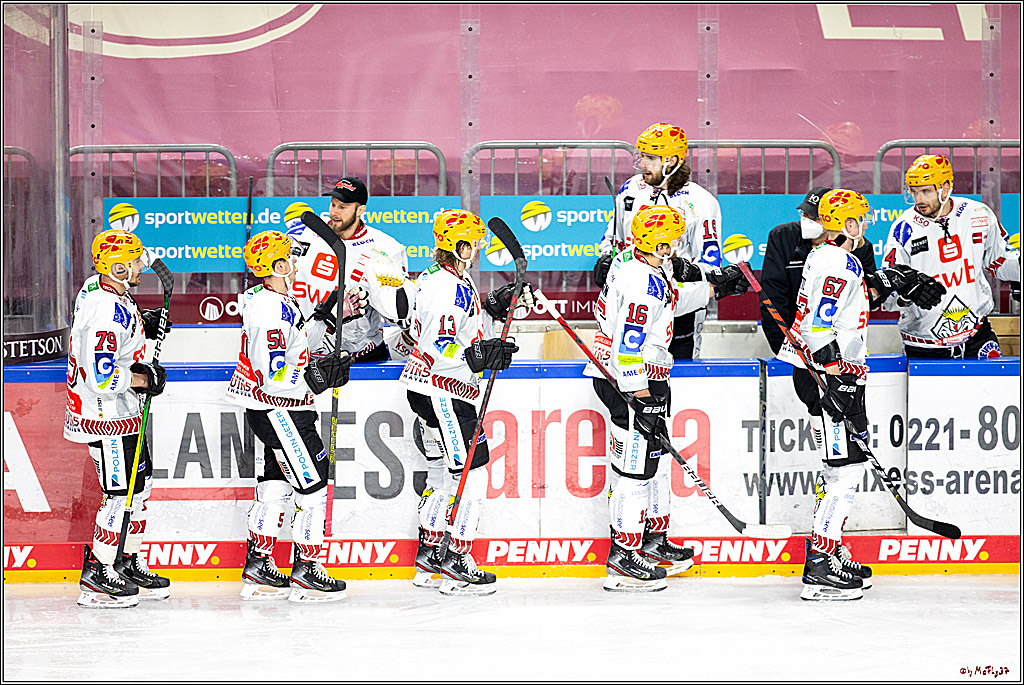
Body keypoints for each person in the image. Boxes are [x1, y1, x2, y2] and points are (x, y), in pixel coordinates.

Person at [779, 190, 940, 600]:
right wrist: (835, 379)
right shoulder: (839, 261)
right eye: (860, 220)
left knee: (840, 467)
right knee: (845, 471)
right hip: (828, 375)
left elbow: (848, 304)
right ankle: (819, 564)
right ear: (847, 225)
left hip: (824, 372)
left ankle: (828, 553)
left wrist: (889, 281)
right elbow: (820, 327)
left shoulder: (824, 255)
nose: (864, 226)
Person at [588, 205, 749, 592]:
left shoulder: (640, 262)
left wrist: (714, 288)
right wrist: (641, 397)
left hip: (645, 376)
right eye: (673, 239)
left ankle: (650, 541)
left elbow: (671, 300)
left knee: (652, 464)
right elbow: (629, 345)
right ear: (658, 243)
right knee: (633, 472)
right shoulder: (641, 281)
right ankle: (623, 556)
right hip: (630, 379)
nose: (677, 245)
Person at [399, 209, 533, 596]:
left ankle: (429, 556)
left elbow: (457, 325)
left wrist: (493, 305)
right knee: (471, 475)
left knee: (443, 474)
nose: (477, 250)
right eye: (473, 244)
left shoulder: (443, 278)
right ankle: (456, 559)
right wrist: (479, 356)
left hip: (431, 389)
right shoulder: (444, 286)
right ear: (458, 247)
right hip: (445, 392)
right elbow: (441, 345)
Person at [227, 231, 354, 602]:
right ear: (278, 266)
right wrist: (315, 379)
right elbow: (276, 374)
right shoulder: (270, 310)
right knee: (314, 487)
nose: (296, 261)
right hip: (282, 411)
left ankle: (259, 566)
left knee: (276, 485)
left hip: (273, 411)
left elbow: (296, 342)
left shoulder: (277, 299)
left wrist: (327, 315)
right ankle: (307, 570)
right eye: (290, 257)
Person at [65, 229, 171, 608]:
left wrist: (143, 317)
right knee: (117, 495)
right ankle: (97, 572)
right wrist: (143, 378)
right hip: (104, 415)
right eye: (136, 261)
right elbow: (102, 375)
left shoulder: (102, 289)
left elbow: (114, 335)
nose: (142, 266)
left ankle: (125, 560)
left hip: (122, 413)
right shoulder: (105, 310)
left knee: (137, 490)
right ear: (119, 266)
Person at [593, 122, 728, 359]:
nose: (643, 164)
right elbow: (613, 238)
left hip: (677, 309)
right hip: (629, 299)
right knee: (625, 369)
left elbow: (710, 265)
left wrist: (683, 269)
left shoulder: (701, 202)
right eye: (642, 156)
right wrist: (606, 259)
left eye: (651, 158)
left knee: (672, 381)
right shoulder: (631, 189)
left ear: (673, 162)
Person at [759, 187, 878, 454]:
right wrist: (831, 373)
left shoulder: (825, 255)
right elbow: (814, 325)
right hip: (824, 365)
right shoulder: (833, 261)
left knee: (840, 461)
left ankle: (827, 478)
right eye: (808, 215)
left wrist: (883, 284)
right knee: (843, 465)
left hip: (833, 362)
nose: (810, 221)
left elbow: (863, 301)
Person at [882, 154, 1020, 357]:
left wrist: (1019, 263)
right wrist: (906, 293)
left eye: (926, 191)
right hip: (924, 345)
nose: (919, 199)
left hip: (977, 338)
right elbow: (888, 295)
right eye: (914, 192)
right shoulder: (904, 228)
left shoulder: (978, 214)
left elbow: (999, 263)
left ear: (945, 189)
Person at [285, 177, 415, 362]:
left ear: (360, 210)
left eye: (343, 207)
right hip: (309, 351)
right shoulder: (305, 235)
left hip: (361, 355)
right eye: (333, 204)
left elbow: (398, 314)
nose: (334, 212)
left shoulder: (387, 249)